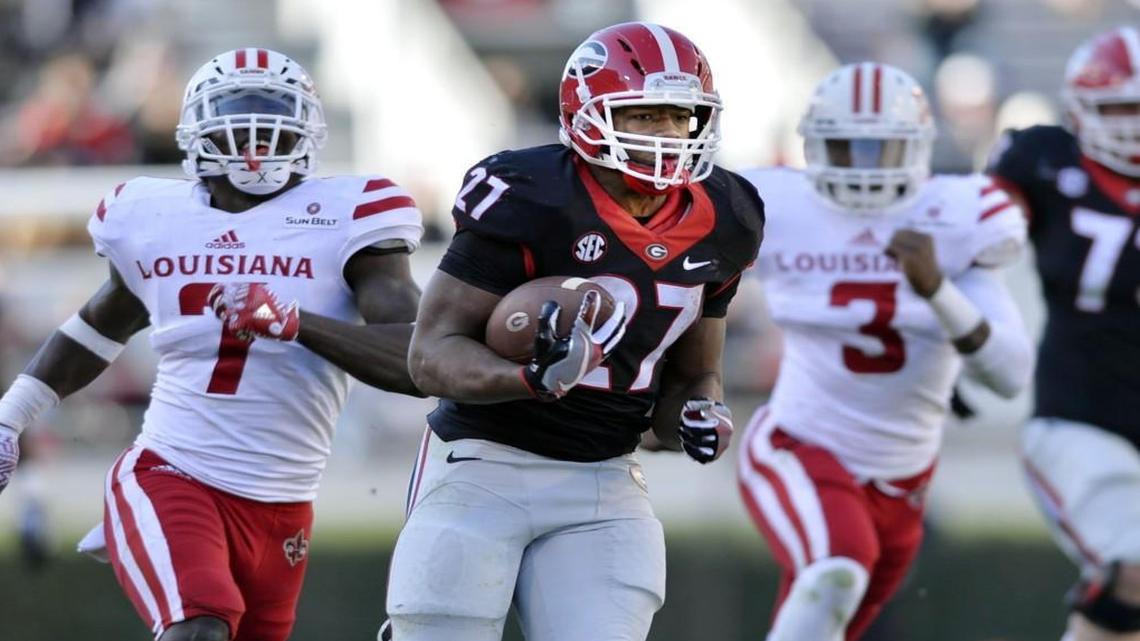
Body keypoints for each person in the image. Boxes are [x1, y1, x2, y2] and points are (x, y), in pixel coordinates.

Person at [0, 48, 424, 641]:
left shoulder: (350, 214)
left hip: (283, 502)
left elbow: (415, 359)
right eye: (236, 113)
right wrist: (11, 416)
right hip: (172, 470)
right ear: (195, 127)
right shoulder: (152, 215)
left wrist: (296, 322)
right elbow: (102, 324)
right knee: (198, 629)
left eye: (271, 113)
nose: (253, 134)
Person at [382, 21, 764, 641]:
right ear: (586, 112)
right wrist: (527, 378)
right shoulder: (532, 196)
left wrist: (700, 415)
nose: (667, 134)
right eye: (644, 116)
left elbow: (695, 374)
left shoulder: (729, 215)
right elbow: (430, 357)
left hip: (604, 479)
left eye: (679, 117)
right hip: (484, 462)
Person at [737, 62, 1033, 641]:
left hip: (904, 482)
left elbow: (1010, 373)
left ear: (918, 148)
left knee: (830, 616)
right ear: (814, 145)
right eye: (847, 147)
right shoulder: (777, 202)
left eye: (882, 148)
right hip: (799, 444)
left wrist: (937, 292)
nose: (864, 166)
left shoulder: (957, 216)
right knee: (835, 569)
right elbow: (692, 279)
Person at [987, 26, 1140, 641]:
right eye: (1120, 108)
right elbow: (972, 240)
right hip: (1080, 418)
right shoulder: (1044, 161)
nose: (1133, 125)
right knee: (1132, 567)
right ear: (1081, 112)